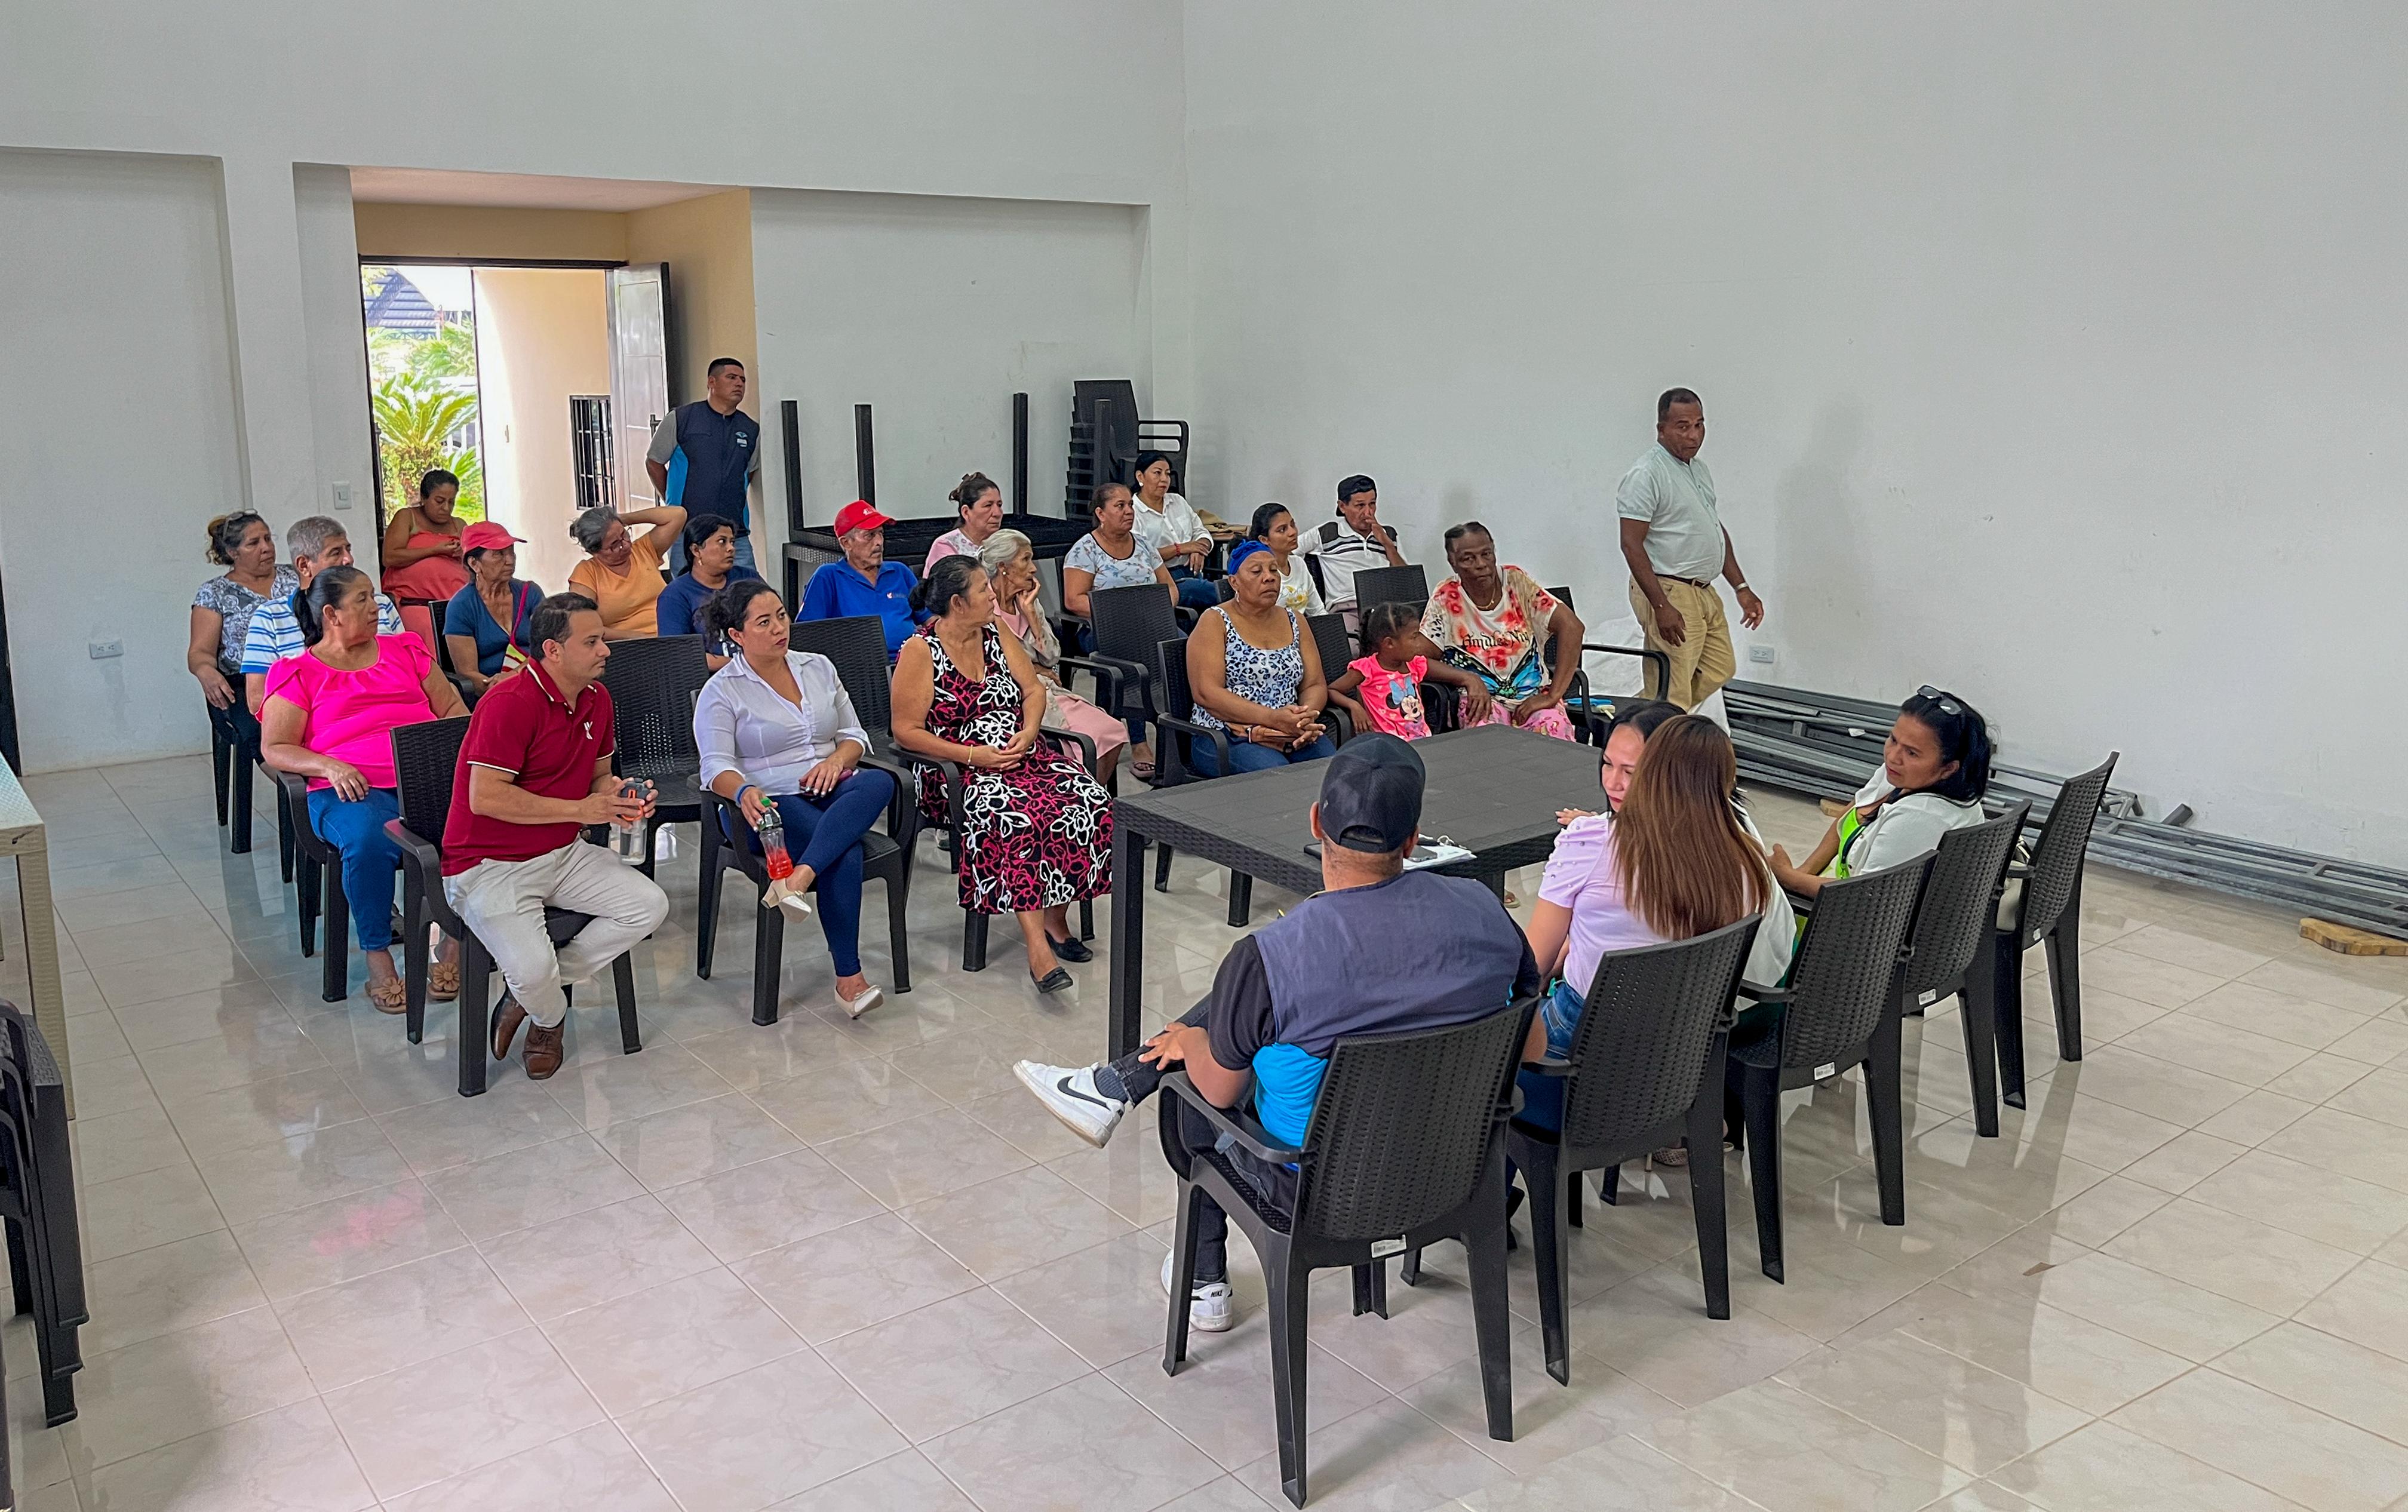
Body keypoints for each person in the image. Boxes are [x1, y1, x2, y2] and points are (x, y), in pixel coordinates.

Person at [1010, 735, 1539, 1330]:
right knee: (1245, 1028)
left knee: (1191, 1091)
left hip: (1315, 1188)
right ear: (1414, 839)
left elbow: (1220, 1091)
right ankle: (1111, 1087)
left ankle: (1204, 1280)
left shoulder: (1274, 955)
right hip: (1454, 1170)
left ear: (1315, 823)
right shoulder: (1484, 910)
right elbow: (1532, 1042)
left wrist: (1191, 1042)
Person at [1521, 714, 1793, 1142]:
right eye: (1608, 765)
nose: (1615, 782)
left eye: (1633, 771)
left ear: (1657, 773)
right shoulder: (1746, 861)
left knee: (1477, 1059)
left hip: (1576, 1060)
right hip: (1680, 1064)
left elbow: (1532, 968)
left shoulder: (1590, 842)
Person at [440, 593, 671, 1081]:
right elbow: (486, 798)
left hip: (563, 852)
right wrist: (582, 810)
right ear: (553, 650)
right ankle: (548, 1017)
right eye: (592, 642)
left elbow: (599, 778)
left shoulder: (597, 698)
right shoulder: (509, 703)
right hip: (488, 865)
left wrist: (618, 799)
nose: (605, 650)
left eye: (603, 639)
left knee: (649, 906)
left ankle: (529, 995)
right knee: (532, 971)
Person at [890, 556, 1114, 994]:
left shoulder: (996, 632)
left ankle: (1056, 919)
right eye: (983, 591)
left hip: (1020, 753)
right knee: (1016, 816)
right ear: (958, 603)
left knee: (1089, 801)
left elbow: (1032, 690)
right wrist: (975, 756)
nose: (994, 596)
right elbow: (906, 731)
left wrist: (1029, 733)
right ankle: (1038, 949)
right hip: (955, 769)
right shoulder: (920, 650)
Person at [259, 567, 469, 1011]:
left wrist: (452, 752)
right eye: (363, 600)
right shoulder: (298, 672)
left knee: (480, 820)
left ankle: (454, 939)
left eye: (374, 597)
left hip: (424, 778)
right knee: (368, 840)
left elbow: (451, 705)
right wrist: (329, 765)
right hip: (348, 790)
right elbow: (275, 747)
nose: (377, 608)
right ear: (332, 614)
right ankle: (379, 957)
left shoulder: (406, 649)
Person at [694, 580, 895, 1019]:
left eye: (782, 616)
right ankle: (849, 980)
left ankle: (797, 879)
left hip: (830, 789)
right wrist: (743, 790)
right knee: (844, 851)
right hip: (764, 805)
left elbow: (855, 734)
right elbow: (714, 767)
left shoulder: (817, 666)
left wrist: (836, 761)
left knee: (880, 783)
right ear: (737, 635)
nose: (779, 629)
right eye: (764, 622)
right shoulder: (722, 690)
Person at [1617, 388, 1765, 709]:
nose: (1694, 435)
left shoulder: (1698, 470)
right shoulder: (1647, 474)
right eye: (1683, 426)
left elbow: (1713, 530)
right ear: (1662, 429)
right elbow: (1631, 544)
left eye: (1699, 425)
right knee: (1673, 686)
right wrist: (1661, 606)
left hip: (1702, 590)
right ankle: (1655, 726)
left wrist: (1741, 587)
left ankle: (1642, 717)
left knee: (1720, 667)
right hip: (1669, 588)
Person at [1771, 688, 1992, 900]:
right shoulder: (1902, 775)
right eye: (1893, 740)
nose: (1893, 757)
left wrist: (1790, 879)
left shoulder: (1920, 818)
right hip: (1834, 891)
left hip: (1849, 914)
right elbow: (1852, 813)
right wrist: (1803, 873)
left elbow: (1863, 896)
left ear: (1949, 768)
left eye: (1912, 753)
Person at [981, 528, 1129, 785]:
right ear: (1004, 568)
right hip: (1014, 698)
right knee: (1085, 741)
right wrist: (1035, 669)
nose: (1033, 568)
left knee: (1112, 730)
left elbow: (1052, 658)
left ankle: (1091, 795)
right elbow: (993, 665)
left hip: (1048, 690)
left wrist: (1032, 616)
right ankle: (1080, 795)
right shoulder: (984, 608)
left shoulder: (1027, 601)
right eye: (1025, 560)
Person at [1420, 521, 1583, 741]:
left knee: (1555, 732)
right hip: (1481, 699)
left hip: (1533, 695)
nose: (1481, 564)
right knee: (1490, 741)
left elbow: (1573, 627)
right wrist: (1467, 678)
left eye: (1486, 554)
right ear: (1453, 562)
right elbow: (1418, 659)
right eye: (1468, 559)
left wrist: (1553, 695)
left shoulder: (1515, 582)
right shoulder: (1447, 597)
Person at [1185, 541, 1337, 775]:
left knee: (1333, 770)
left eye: (1274, 570)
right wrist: (1273, 719)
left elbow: (1315, 684)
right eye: (1257, 572)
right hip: (1225, 735)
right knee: (1277, 776)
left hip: (1290, 728)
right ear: (1234, 582)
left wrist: (1303, 719)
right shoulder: (1215, 621)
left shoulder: (1295, 620)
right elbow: (1207, 693)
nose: (1269, 577)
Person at [1061, 482, 1177, 777]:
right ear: (1101, 514)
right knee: (1132, 655)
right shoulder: (1085, 549)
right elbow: (1074, 600)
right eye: (1120, 506)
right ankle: (1139, 742)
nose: (1129, 512)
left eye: (1130, 505)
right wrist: (1123, 613)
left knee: (1185, 649)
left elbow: (1171, 590)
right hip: (1102, 630)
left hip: (1151, 625)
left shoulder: (1145, 545)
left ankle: (1181, 737)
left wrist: (1153, 611)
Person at [241, 515, 403, 714]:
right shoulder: (271, 618)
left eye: (348, 550)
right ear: (304, 565)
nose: (349, 559)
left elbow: (410, 668)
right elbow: (257, 701)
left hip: (393, 712)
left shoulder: (380, 605)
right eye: (336, 553)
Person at [189, 511, 297, 744]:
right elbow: (200, 652)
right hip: (243, 683)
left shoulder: (296, 577)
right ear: (233, 552)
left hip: (299, 675)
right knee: (265, 730)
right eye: (254, 543)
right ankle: (283, 767)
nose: (266, 548)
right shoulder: (215, 592)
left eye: (268, 539)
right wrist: (205, 671)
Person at [645, 358, 760, 573]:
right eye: (732, 378)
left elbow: (749, 472)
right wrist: (673, 503)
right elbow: (654, 462)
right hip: (688, 533)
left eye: (743, 380)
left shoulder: (750, 429)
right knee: (690, 591)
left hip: (735, 535)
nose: (739, 384)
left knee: (746, 590)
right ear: (712, 382)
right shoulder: (682, 419)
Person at [1325, 601, 1493, 740]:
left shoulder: (1414, 664)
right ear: (1389, 643)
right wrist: (1354, 706)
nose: (1419, 643)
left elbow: (1451, 674)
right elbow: (1332, 690)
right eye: (1414, 637)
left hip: (1422, 739)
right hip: (1387, 745)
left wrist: (1470, 678)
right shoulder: (1366, 669)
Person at [798, 499, 920, 660]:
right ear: (846, 543)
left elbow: (932, 620)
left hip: (910, 662)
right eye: (870, 535)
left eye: (881, 533)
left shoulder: (900, 572)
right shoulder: (829, 577)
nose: (879, 542)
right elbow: (806, 635)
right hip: (857, 667)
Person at [442, 522, 543, 697]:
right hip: (491, 693)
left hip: (537, 681)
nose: (510, 561)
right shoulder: (461, 606)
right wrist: (500, 688)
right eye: (499, 554)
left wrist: (515, 677)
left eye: (511, 552)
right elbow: (467, 673)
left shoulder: (531, 593)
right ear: (475, 563)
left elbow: (550, 647)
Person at [566, 502, 687, 639]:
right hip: (627, 645)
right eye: (614, 545)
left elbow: (678, 515)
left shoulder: (644, 550)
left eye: (624, 534)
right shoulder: (588, 573)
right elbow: (582, 625)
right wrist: (635, 637)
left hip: (672, 634)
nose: (625, 545)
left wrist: (619, 519)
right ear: (595, 552)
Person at [655, 513, 761, 668]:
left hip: (761, 667)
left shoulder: (747, 577)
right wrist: (742, 667)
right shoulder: (675, 596)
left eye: (732, 542)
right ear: (696, 550)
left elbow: (774, 617)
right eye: (722, 542)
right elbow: (677, 653)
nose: (731, 548)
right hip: (710, 676)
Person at [1302, 474, 1407, 628]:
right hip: (1346, 608)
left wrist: (1387, 544)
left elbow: (1406, 579)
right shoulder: (1327, 534)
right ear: (1342, 506)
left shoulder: (1389, 534)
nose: (1368, 512)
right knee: (1349, 641)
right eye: (1360, 505)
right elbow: (1286, 550)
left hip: (1384, 609)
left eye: (1372, 504)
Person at [1130, 451, 1218, 611]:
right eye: (1158, 473)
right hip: (1162, 579)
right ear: (1140, 477)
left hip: (1192, 571)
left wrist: (1198, 549)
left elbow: (1201, 532)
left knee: (1213, 591)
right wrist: (1180, 549)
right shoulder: (1132, 512)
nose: (1164, 479)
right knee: (1218, 592)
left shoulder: (1178, 501)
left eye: (1168, 474)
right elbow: (1140, 556)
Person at [380, 469, 473, 604]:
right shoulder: (407, 517)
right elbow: (390, 558)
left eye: (451, 502)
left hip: (457, 601)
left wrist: (463, 552)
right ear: (424, 498)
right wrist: (434, 550)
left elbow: (474, 561)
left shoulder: (459, 525)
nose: (446, 508)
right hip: (414, 601)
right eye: (439, 501)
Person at [1245, 502, 1324, 615]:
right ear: (1264, 540)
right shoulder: (1261, 574)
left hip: (1300, 625)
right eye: (1282, 530)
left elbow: (1318, 611)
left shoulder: (1299, 564)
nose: (1293, 532)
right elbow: (1258, 619)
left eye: (1293, 525)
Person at [926, 471, 1007, 571]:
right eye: (988, 506)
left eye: (999, 505)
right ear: (966, 512)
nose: (997, 513)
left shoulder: (1005, 544)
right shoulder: (946, 546)